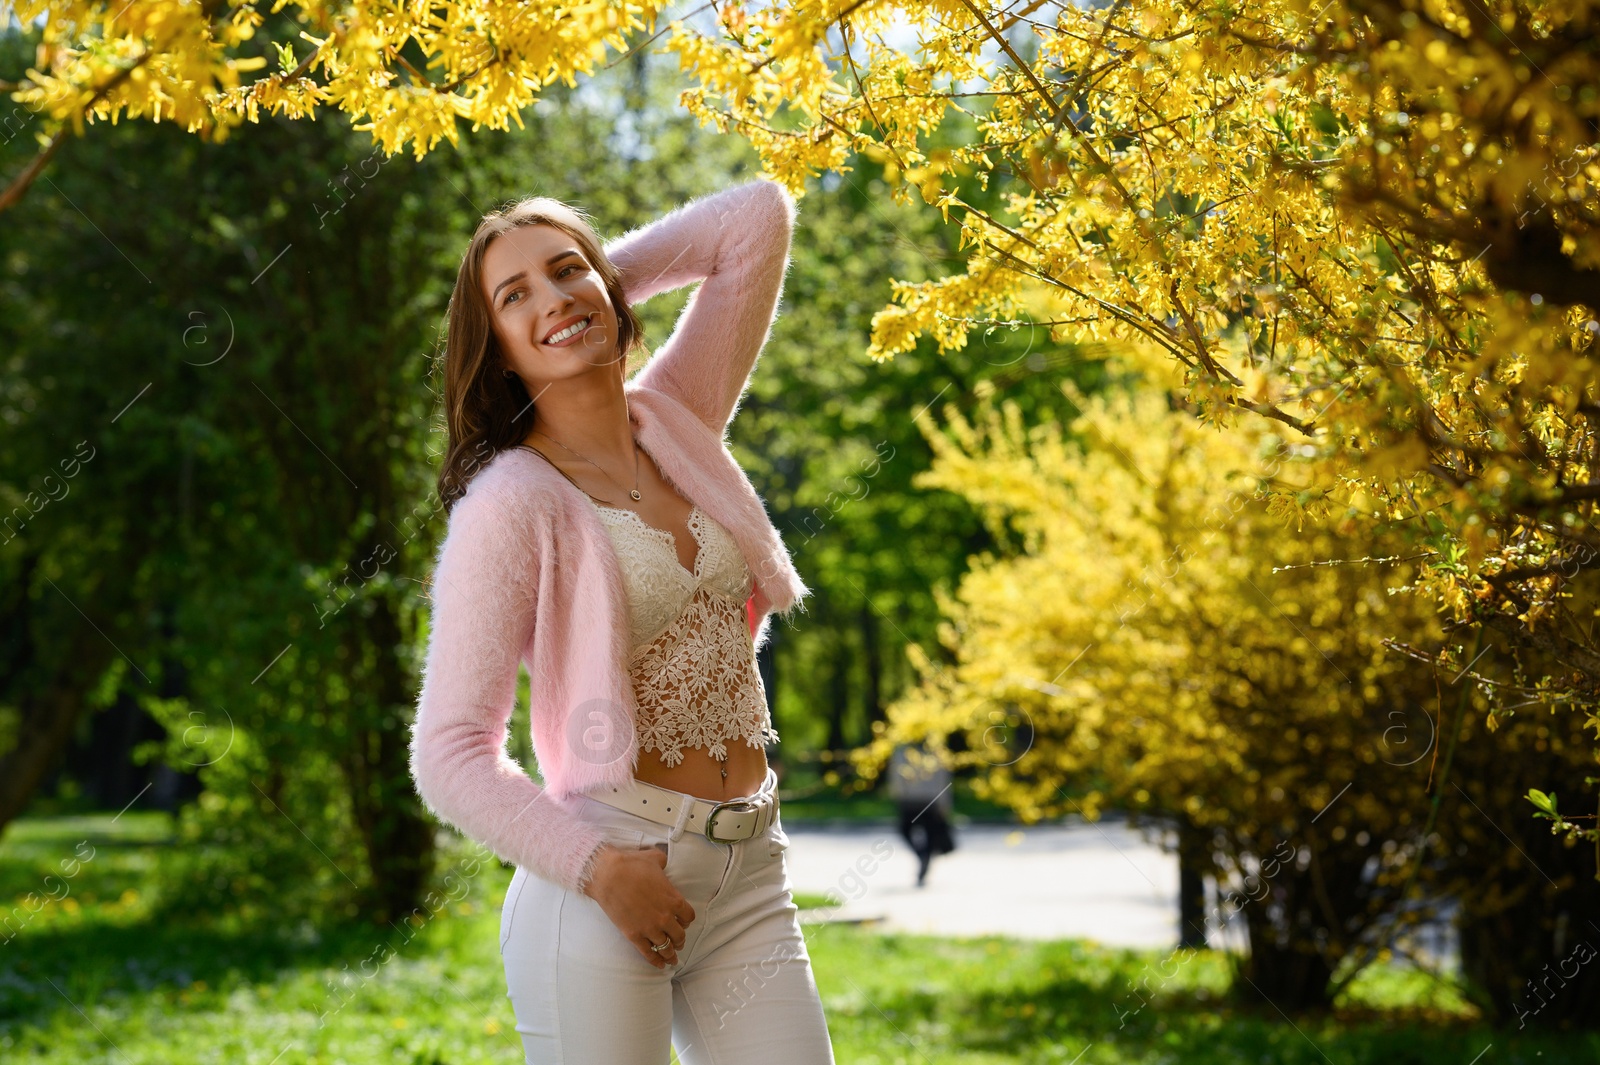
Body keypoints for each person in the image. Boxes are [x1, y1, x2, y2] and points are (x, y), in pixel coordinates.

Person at [408, 178, 835, 1063]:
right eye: (513, 296)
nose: (553, 297)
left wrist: (587, 288)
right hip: (606, 879)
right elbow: (449, 751)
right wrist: (600, 872)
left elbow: (755, 219)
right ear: (491, 346)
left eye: (568, 272)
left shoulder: (677, 416)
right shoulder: (509, 502)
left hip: (751, 868)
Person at [887, 741, 956, 887]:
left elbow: (897, 775)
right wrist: (944, 803)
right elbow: (943, 780)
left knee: (906, 830)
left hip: (911, 800)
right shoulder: (937, 752)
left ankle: (922, 857)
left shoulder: (903, 751)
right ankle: (924, 858)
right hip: (931, 801)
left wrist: (900, 794)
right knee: (930, 836)